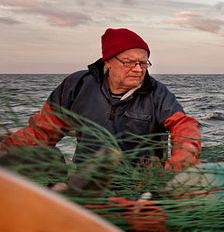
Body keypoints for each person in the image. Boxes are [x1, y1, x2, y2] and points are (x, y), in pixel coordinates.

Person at [0, 28, 201, 172]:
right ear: (108, 62)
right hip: (86, 177)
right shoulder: (77, 85)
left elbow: (183, 125)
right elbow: (43, 131)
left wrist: (184, 156)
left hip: (141, 181)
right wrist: (6, 150)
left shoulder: (157, 92)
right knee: (43, 157)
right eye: (129, 62)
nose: (139, 69)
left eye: (143, 63)